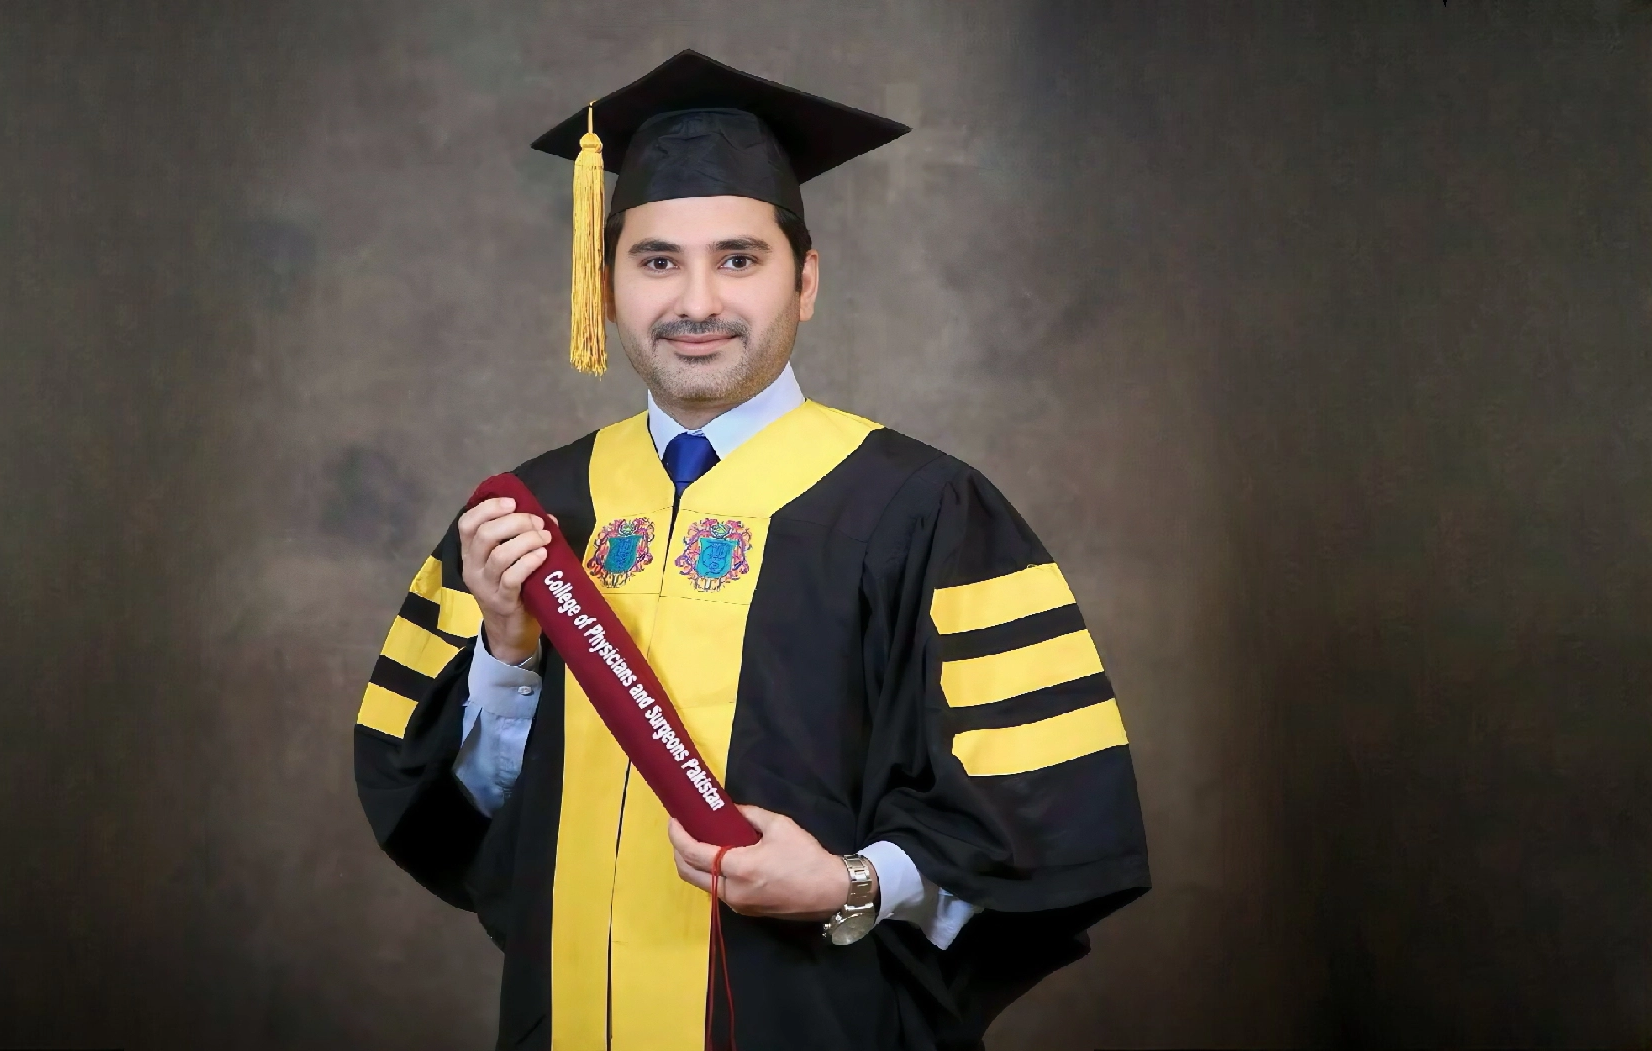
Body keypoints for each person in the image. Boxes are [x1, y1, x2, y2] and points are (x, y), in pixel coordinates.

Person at [354, 50, 1150, 1051]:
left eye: (738, 259)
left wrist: (851, 882)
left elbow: (1045, 818)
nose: (697, 301)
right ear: (605, 285)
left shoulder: (922, 510)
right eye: (657, 261)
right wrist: (505, 657)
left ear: (804, 280)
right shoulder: (532, 514)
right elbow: (458, 819)